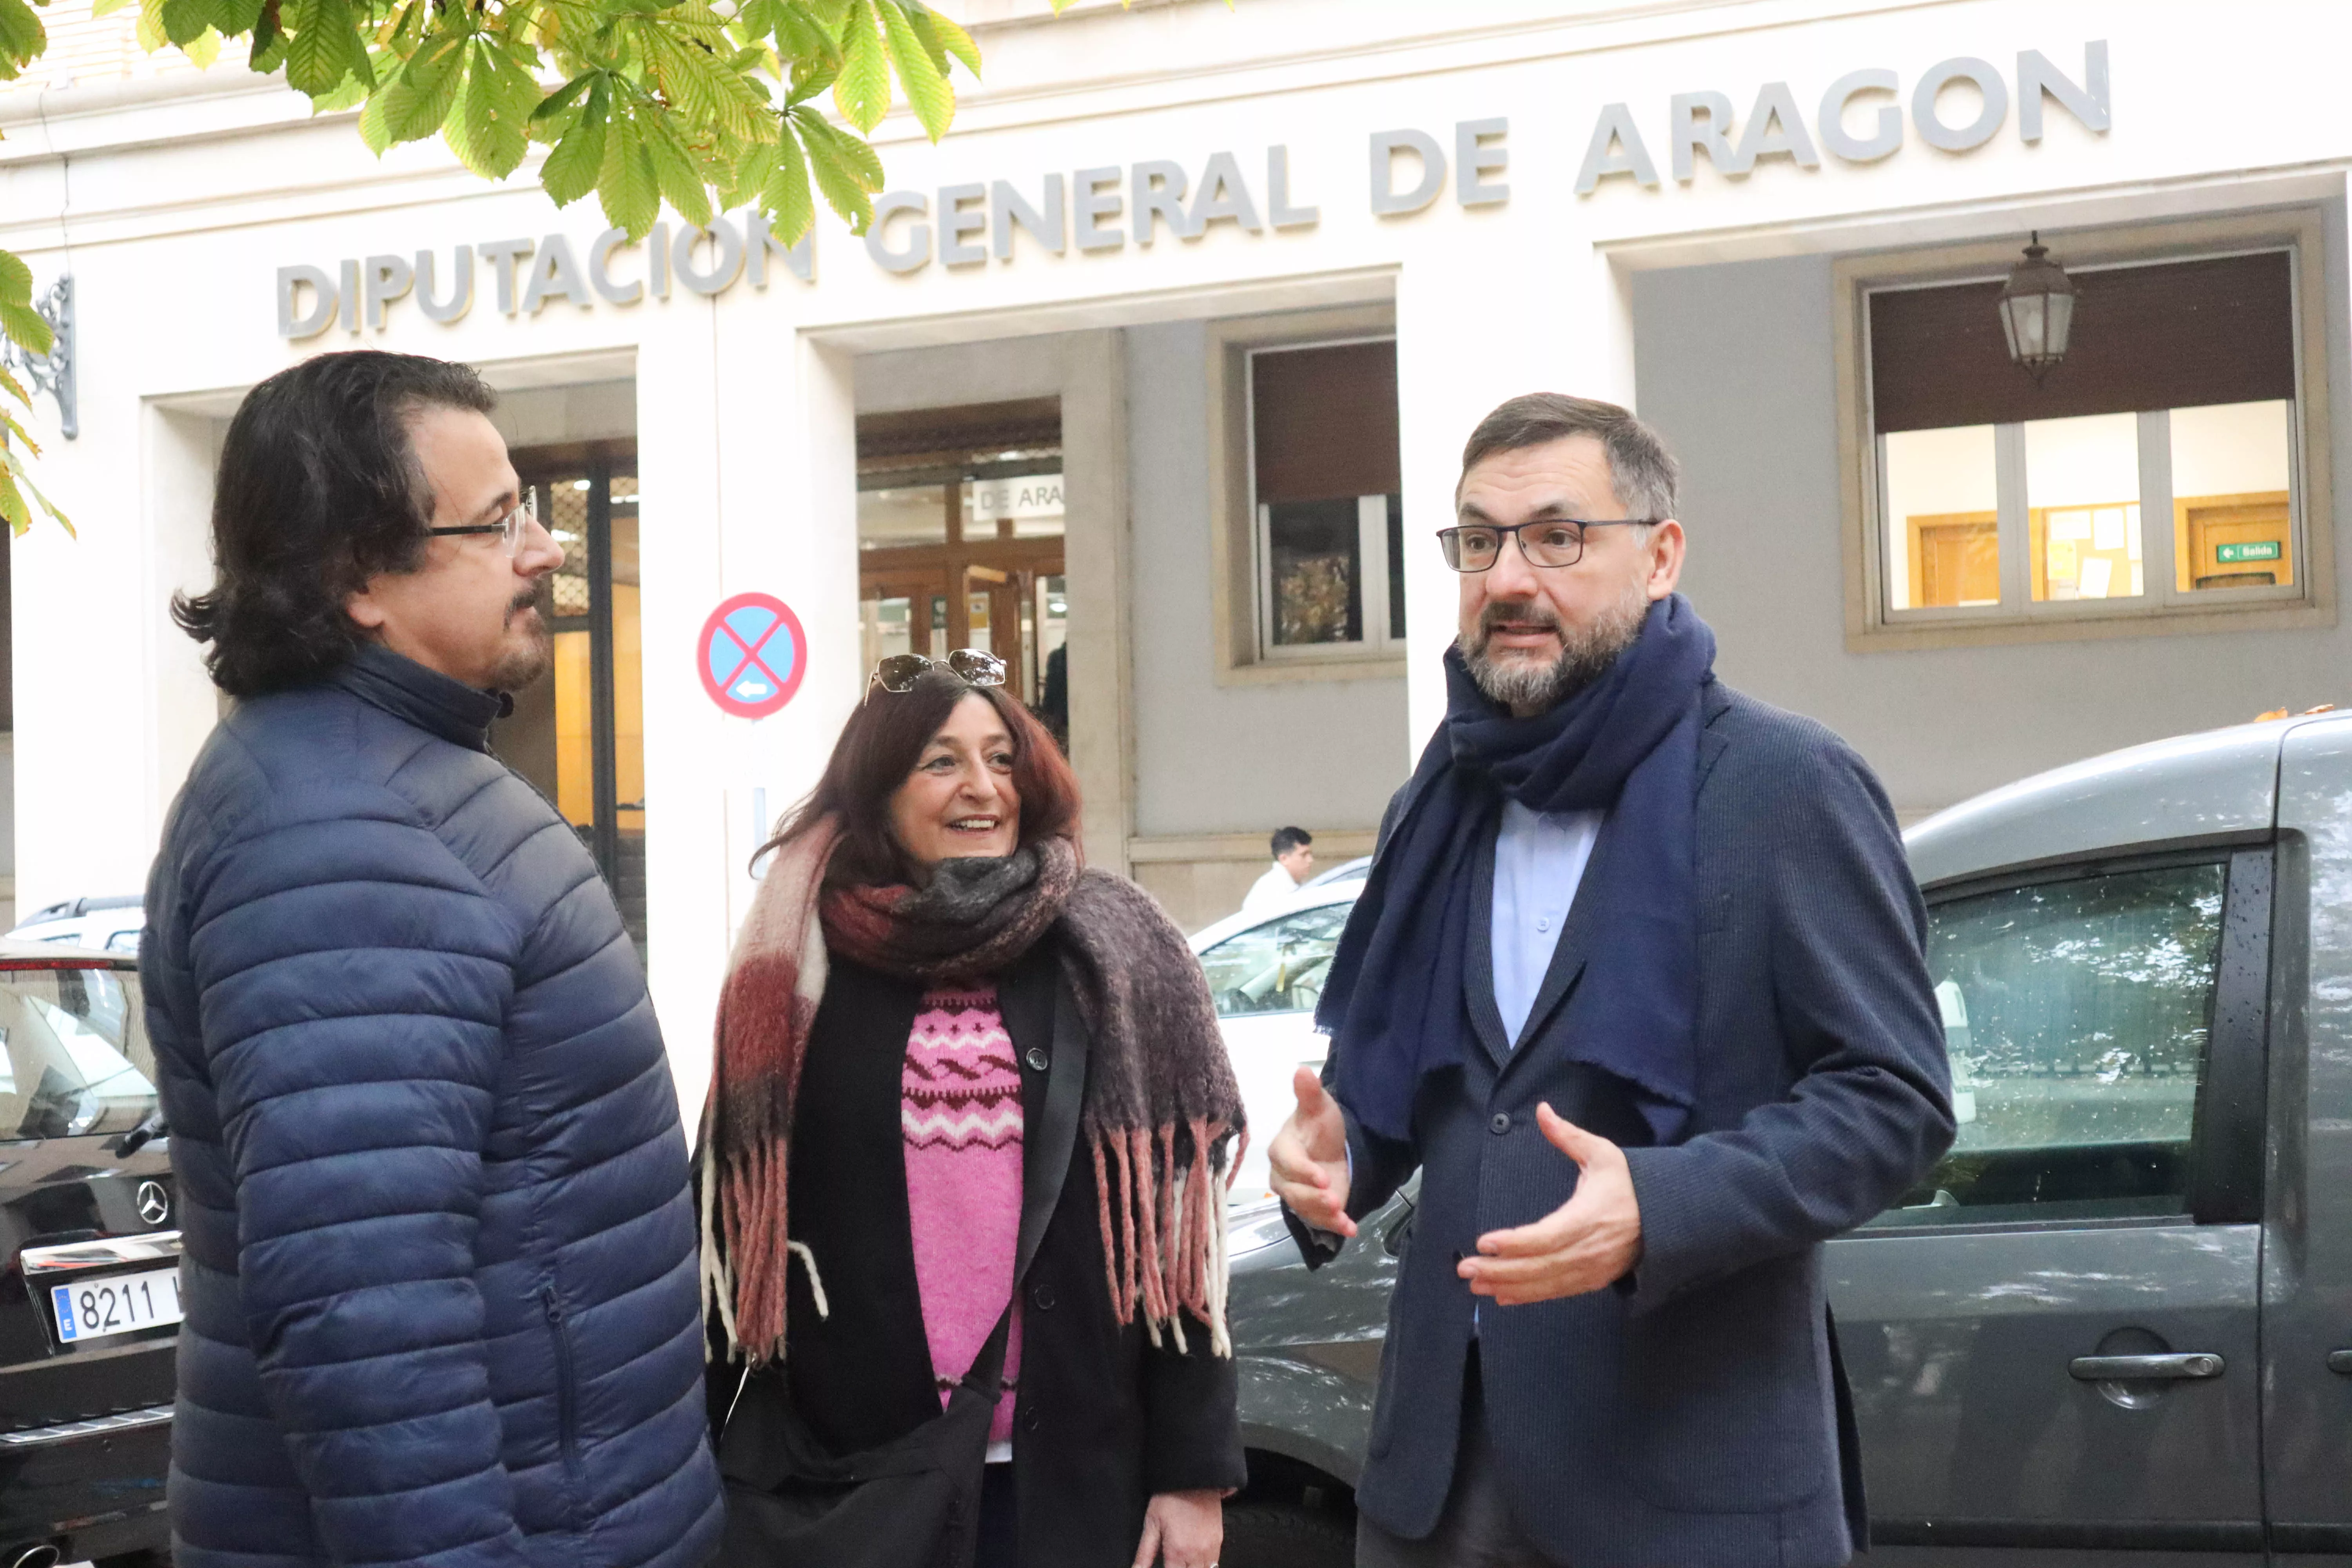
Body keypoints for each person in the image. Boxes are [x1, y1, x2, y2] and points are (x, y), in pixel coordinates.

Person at [1269, 393, 1954, 1568]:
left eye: (1556, 536)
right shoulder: (1436, 803)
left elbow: (1894, 1102)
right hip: (1431, 1490)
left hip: (1687, 1486)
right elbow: (1423, 1094)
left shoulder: (1785, 785)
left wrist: (1659, 1203)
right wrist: (1336, 1158)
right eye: (1476, 541)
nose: (1507, 578)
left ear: (1659, 553)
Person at [143, 351, 724, 1568]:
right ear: (358, 573)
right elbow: (367, 1320)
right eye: (498, 519)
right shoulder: (335, 834)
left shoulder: (382, 785)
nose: (546, 548)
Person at [698, 650, 1246, 1568]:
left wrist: (1193, 1474)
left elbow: (1174, 1246)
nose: (983, 788)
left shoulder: (1105, 952)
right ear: (878, 790)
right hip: (860, 1484)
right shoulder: (798, 969)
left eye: (1002, 758)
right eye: (942, 761)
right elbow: (730, 1232)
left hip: (1074, 1474)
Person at [1241, 826, 1316, 913]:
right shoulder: (1271, 889)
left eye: (1310, 854)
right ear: (1284, 859)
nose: (1310, 860)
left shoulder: (1293, 884)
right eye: (1304, 855)